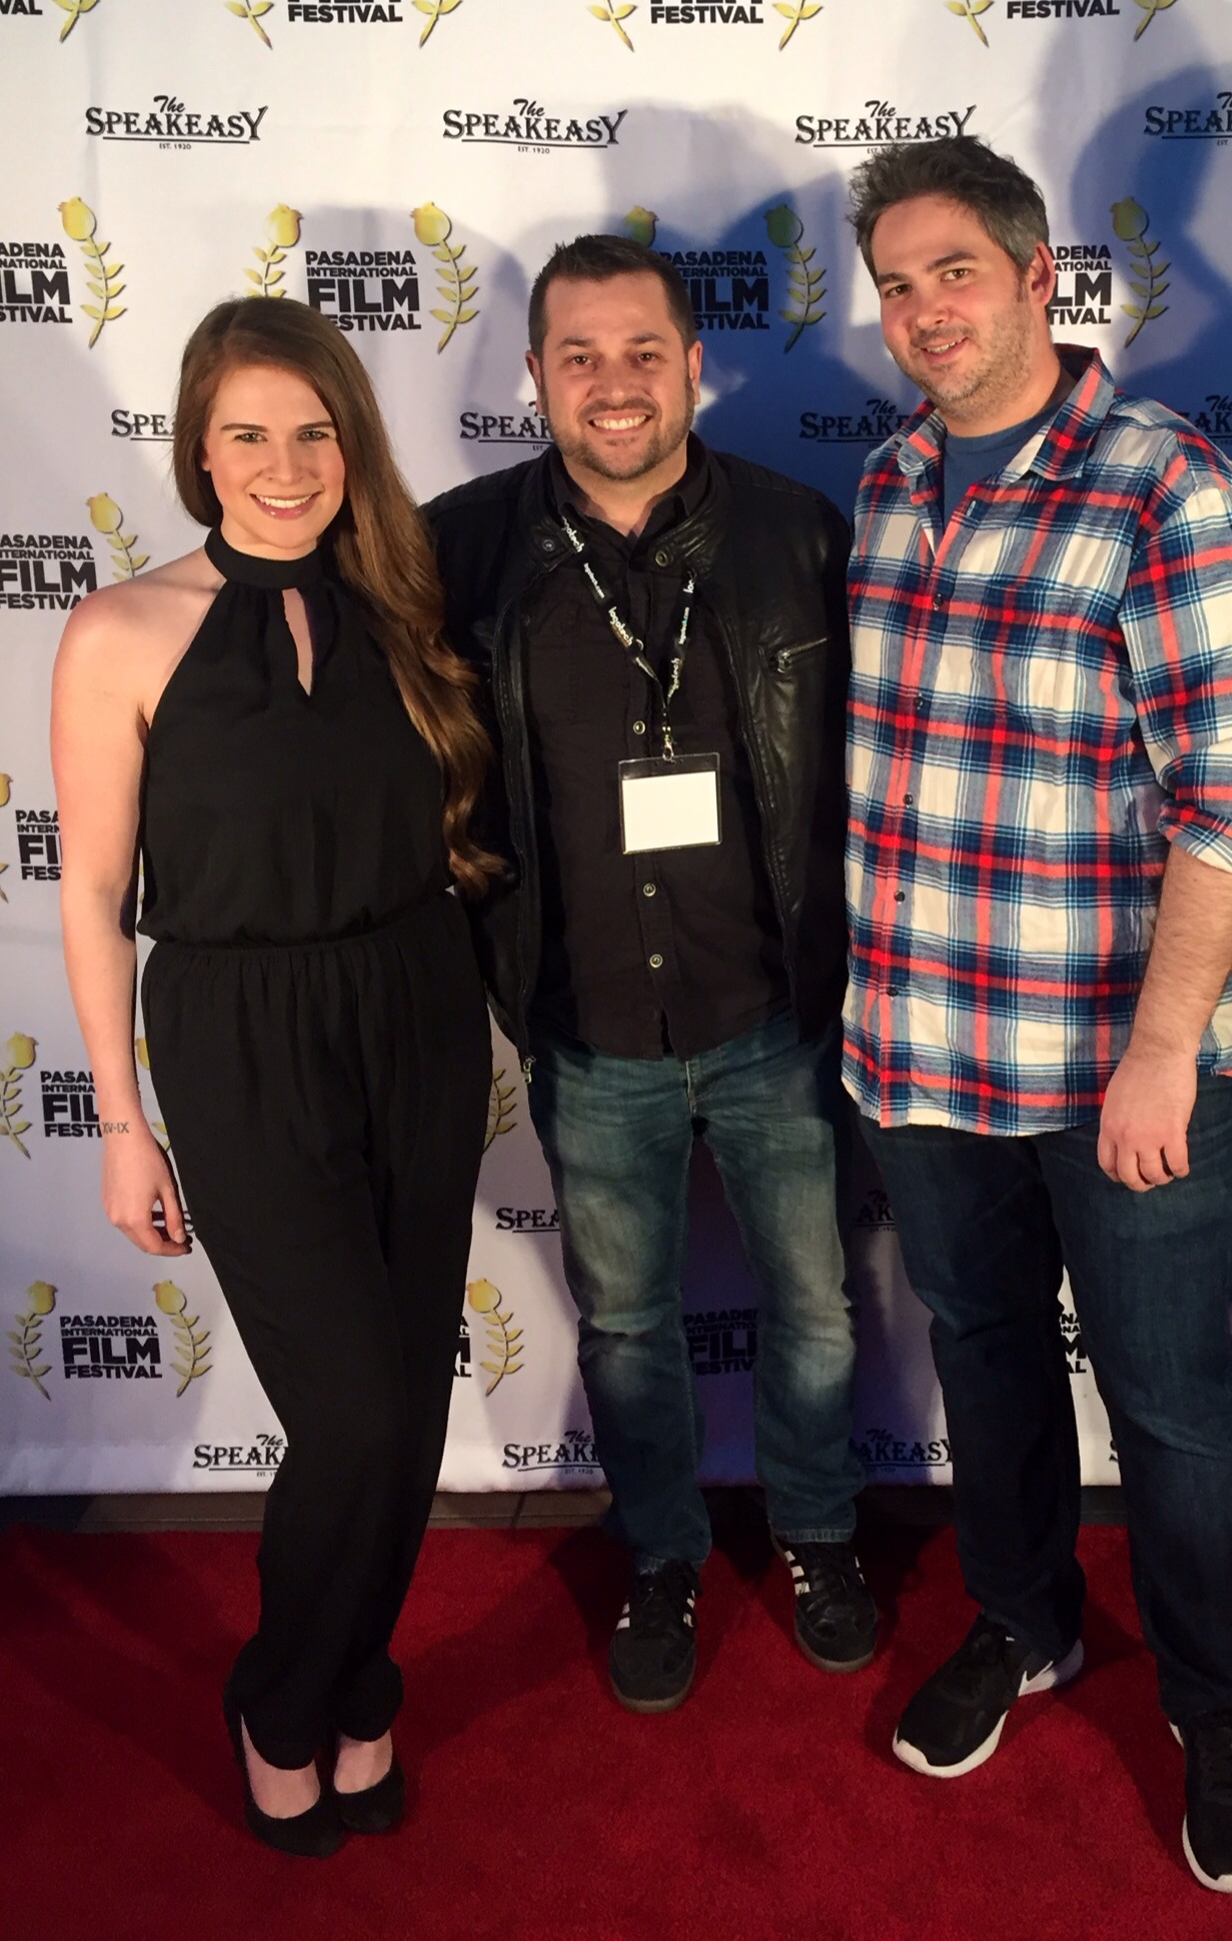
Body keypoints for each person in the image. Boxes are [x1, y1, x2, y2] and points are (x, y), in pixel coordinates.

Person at [842, 137, 1232, 1893]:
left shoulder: (1162, 488)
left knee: (1175, 1403)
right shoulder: (891, 487)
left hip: (1125, 1076)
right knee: (981, 1359)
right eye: (894, 282)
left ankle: (1216, 1705)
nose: (922, 311)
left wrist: (1165, 1047)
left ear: (1041, 277)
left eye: (954, 269)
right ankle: (1025, 1622)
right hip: (924, 1056)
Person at [51, 297, 495, 1856]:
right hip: (236, 1034)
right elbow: (92, 891)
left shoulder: (404, 608)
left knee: (413, 1400)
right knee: (354, 1416)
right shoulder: (119, 631)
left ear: (351, 443)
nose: (282, 464)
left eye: (312, 431)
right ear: (196, 446)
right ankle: (283, 1694)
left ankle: (359, 1678)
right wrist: (121, 1124)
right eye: (246, 432)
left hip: (420, 1008)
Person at [424, 235, 874, 1714]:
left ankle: (815, 1534)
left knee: (813, 1307)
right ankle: (663, 1549)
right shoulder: (461, 550)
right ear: (535, 376)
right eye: (577, 356)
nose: (611, 386)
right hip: (586, 1026)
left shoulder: (803, 532)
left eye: (640, 353)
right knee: (627, 1323)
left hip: (772, 1018)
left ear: (697, 363)